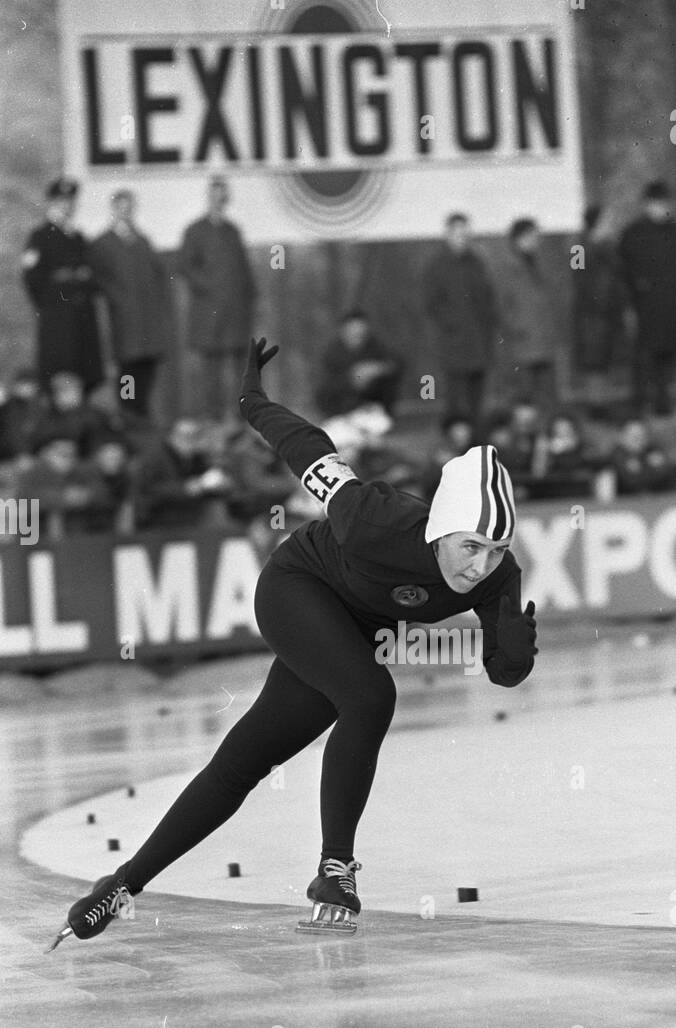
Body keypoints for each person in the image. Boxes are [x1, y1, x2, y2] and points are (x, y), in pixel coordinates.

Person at [51, 337, 538, 951]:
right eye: (471, 546)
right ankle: (335, 870)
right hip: (296, 589)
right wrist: (252, 398)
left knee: (245, 761)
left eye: (495, 551)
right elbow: (307, 448)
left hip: (353, 629)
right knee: (368, 695)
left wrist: (514, 656)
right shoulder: (373, 518)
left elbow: (502, 669)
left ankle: (120, 886)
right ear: (441, 530)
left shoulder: (497, 575)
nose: (480, 566)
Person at [178, 176, 257, 419]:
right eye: (214, 195)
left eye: (222, 196)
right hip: (209, 314)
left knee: (238, 368)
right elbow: (186, 266)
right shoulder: (195, 230)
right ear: (208, 197)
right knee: (210, 369)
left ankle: (239, 417)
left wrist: (248, 298)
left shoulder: (233, 230)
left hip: (235, 313)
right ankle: (211, 418)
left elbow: (244, 271)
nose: (218, 201)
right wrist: (212, 288)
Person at [89, 190, 172, 418]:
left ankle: (141, 414)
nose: (125, 213)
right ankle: (127, 414)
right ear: (114, 209)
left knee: (146, 372)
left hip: (148, 326)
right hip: (124, 324)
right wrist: (118, 300)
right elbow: (98, 280)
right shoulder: (103, 244)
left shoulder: (142, 241)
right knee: (128, 372)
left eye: (129, 208)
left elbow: (158, 276)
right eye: (121, 208)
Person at [618, 180, 676, 416]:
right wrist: (633, 299)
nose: (660, 209)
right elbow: (622, 272)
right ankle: (638, 404)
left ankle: (663, 403)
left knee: (668, 359)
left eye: (664, 204)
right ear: (646, 205)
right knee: (643, 359)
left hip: (671, 307)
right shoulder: (632, 233)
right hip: (644, 309)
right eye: (655, 204)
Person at [21, 177, 104, 394]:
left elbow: (94, 276)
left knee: (84, 372)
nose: (67, 206)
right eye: (61, 201)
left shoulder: (78, 238)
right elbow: (32, 279)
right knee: (59, 373)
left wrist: (80, 278)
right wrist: (55, 299)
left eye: (71, 201)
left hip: (82, 318)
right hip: (58, 319)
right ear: (51, 203)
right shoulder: (40, 237)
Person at [423, 213, 498, 424]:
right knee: (455, 397)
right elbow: (431, 303)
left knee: (477, 397)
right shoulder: (436, 265)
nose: (461, 238)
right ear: (447, 235)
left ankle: (476, 438)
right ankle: (455, 441)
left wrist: (486, 326)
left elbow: (487, 297)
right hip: (453, 343)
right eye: (456, 233)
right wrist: (453, 324)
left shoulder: (477, 262)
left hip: (479, 341)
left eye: (465, 233)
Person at [499, 218, 558, 412]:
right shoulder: (507, 267)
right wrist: (517, 328)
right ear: (518, 239)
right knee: (524, 396)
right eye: (530, 236)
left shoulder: (539, 263)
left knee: (546, 395)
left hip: (542, 340)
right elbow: (501, 305)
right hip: (522, 342)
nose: (535, 240)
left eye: (536, 236)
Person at [571, 204, 627, 399]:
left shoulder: (611, 248)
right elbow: (578, 279)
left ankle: (607, 402)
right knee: (593, 361)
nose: (610, 225)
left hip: (610, 314)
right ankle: (597, 404)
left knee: (607, 360)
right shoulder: (579, 247)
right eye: (606, 221)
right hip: (591, 316)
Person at [316, 309, 402, 417]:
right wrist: (356, 376)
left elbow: (396, 362)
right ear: (344, 330)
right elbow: (327, 385)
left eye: (361, 329)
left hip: (373, 405)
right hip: (340, 408)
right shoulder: (332, 353)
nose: (358, 332)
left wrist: (376, 368)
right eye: (353, 329)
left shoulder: (374, 346)